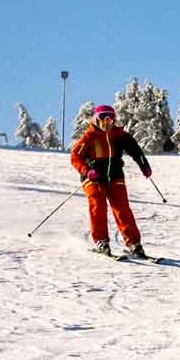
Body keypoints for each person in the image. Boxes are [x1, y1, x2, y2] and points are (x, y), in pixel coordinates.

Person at [69, 104, 154, 259]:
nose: (107, 121)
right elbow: (75, 157)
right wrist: (87, 170)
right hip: (93, 177)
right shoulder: (90, 136)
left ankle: (134, 243)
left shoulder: (120, 135)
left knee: (122, 208)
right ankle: (101, 241)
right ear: (96, 119)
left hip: (115, 175)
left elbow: (136, 151)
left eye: (111, 117)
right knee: (98, 205)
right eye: (103, 117)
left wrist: (144, 166)